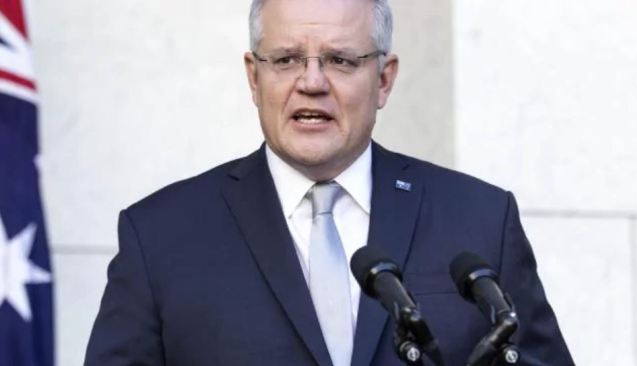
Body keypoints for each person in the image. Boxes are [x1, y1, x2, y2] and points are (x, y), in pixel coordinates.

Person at [85, 0, 574, 365]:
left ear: (383, 79)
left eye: (340, 60)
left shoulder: (479, 220)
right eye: (286, 59)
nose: (312, 82)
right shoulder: (160, 237)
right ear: (254, 79)